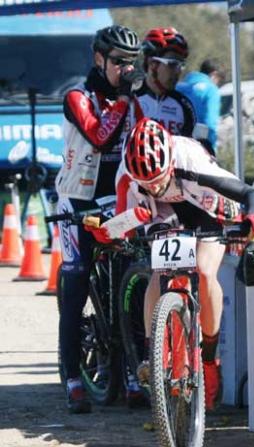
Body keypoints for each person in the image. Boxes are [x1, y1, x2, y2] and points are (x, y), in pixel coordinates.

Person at [115, 118, 254, 411]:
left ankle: (209, 359)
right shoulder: (129, 171)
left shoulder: (192, 162)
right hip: (163, 213)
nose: (154, 186)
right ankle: (155, 355)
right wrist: (111, 231)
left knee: (204, 271)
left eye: (157, 179)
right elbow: (121, 220)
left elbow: (253, 194)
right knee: (160, 273)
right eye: (146, 183)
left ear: (169, 165)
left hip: (203, 204)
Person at [54, 24, 141, 414]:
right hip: (76, 200)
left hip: (114, 200)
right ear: (99, 60)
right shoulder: (78, 96)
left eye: (131, 64)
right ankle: (72, 376)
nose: (126, 70)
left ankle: (132, 373)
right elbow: (99, 137)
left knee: (130, 280)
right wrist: (123, 100)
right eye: (119, 62)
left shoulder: (131, 99)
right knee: (75, 286)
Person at [136, 27, 196, 138]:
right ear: (152, 64)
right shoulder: (130, 99)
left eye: (181, 65)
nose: (178, 71)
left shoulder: (184, 106)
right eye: (172, 64)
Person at [176, 58, 225, 152]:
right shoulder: (211, 90)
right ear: (214, 75)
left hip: (174, 146)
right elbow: (210, 124)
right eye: (219, 81)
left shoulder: (178, 87)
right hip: (196, 148)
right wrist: (211, 150)